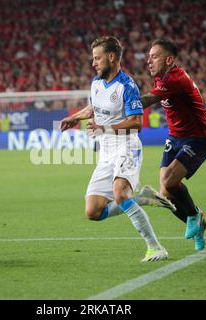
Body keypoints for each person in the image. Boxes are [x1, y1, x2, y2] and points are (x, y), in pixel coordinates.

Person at [60, 36, 175, 262]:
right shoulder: (96, 83)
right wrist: (75, 117)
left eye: (97, 58)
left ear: (111, 57)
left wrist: (105, 127)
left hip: (126, 145)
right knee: (93, 212)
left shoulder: (127, 85)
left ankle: (155, 247)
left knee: (120, 194)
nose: (94, 63)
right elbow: (95, 107)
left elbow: (136, 122)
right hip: (105, 151)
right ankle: (141, 198)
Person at [139, 39, 206, 251]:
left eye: (154, 56)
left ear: (169, 59)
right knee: (165, 195)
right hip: (176, 136)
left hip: (198, 138)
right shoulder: (162, 77)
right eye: (149, 56)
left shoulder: (174, 78)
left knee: (170, 182)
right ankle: (198, 224)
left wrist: (116, 103)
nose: (149, 61)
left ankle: (194, 214)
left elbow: (145, 101)